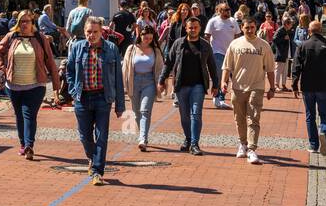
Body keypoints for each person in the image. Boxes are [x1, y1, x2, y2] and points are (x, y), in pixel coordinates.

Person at [63, 17, 124, 185]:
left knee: (102, 135)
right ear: (84, 32)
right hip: (82, 97)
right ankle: (92, 156)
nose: (92, 35)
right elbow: (69, 71)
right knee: (84, 136)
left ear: (101, 32)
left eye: (95, 32)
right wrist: (73, 90)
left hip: (103, 98)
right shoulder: (77, 48)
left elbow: (118, 78)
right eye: (89, 32)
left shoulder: (111, 49)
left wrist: (120, 105)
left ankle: (97, 170)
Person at [0, 11, 62, 160]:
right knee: (19, 116)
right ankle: (23, 144)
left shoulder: (40, 38)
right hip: (13, 86)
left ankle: (29, 145)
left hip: (36, 85)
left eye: (27, 21)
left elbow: (50, 60)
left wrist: (56, 85)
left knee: (29, 114)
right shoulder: (11, 36)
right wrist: (2, 69)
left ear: (33, 23)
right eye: (22, 21)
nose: (24, 24)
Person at [221, 17, 277, 164]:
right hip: (238, 86)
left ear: (256, 27)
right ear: (242, 27)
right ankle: (243, 143)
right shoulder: (234, 44)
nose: (250, 30)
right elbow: (227, 66)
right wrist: (223, 82)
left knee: (253, 117)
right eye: (247, 28)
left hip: (256, 86)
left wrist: (272, 87)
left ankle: (252, 149)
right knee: (239, 118)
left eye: (252, 27)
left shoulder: (263, 45)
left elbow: (270, 69)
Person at [160, 16, 217, 155]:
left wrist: (216, 84)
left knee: (195, 114)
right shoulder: (178, 43)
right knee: (184, 116)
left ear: (200, 28)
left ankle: (194, 144)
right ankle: (188, 138)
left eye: (195, 27)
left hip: (198, 85)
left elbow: (212, 66)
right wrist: (162, 79)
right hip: (181, 85)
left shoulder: (205, 45)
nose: (193, 30)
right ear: (186, 28)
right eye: (190, 27)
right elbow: (169, 62)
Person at [292, 19, 326, 156]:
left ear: (309, 31)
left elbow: (296, 67)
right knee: (325, 115)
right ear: (321, 31)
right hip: (324, 85)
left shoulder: (302, 46)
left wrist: (294, 85)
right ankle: (324, 133)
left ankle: (313, 145)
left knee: (310, 115)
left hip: (307, 86)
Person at [122, 23, 165, 151]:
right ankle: (143, 134)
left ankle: (142, 138)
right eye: (146, 38)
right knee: (136, 112)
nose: (148, 41)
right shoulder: (131, 49)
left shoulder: (156, 51)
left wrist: (161, 83)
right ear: (140, 36)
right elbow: (125, 67)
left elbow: (161, 68)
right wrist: (124, 84)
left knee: (145, 110)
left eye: (151, 39)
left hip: (149, 82)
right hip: (134, 81)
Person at [204, 2, 239, 110]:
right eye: (226, 9)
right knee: (219, 76)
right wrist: (208, 51)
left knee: (230, 77)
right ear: (219, 11)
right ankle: (218, 98)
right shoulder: (213, 21)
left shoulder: (233, 21)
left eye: (229, 9)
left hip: (231, 53)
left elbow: (238, 35)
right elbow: (207, 36)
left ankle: (225, 98)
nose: (228, 11)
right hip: (217, 52)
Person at [272, 15, 297, 92]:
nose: (291, 25)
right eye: (290, 24)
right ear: (286, 24)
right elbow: (274, 39)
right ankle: (276, 85)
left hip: (286, 53)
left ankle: (283, 85)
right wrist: (283, 38)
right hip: (280, 53)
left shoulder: (286, 30)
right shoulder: (280, 30)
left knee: (285, 71)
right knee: (278, 70)